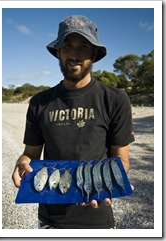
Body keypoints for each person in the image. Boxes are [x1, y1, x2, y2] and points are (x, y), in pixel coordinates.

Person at [12, 15, 135, 229]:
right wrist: (21, 163)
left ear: (94, 54)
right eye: (68, 46)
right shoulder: (39, 102)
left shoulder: (115, 99)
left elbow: (122, 159)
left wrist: (109, 182)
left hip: (98, 217)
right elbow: (30, 153)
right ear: (58, 52)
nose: (74, 54)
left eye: (83, 47)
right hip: (51, 219)